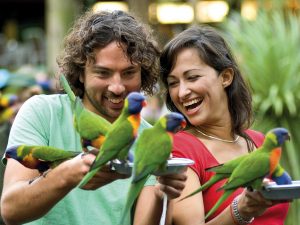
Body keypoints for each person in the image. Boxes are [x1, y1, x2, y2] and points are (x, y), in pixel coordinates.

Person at [0, 10, 187, 225]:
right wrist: (71, 172)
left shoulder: (149, 138)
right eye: (103, 73)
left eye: (128, 73)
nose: (117, 87)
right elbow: (11, 210)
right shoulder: (43, 112)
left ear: (143, 74)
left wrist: (162, 194)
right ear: (81, 73)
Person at [159, 25, 289, 225]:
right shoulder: (180, 150)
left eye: (192, 77)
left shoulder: (260, 142)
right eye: (173, 83)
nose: (182, 92)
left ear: (226, 77)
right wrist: (239, 211)